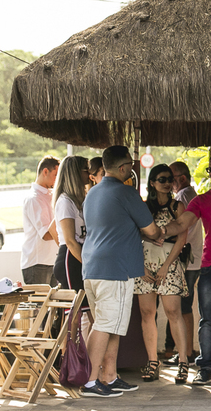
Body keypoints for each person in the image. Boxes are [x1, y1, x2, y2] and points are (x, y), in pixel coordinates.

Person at [80, 145, 162, 397]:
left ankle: (110, 376)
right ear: (124, 167)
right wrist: (156, 233)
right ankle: (91, 381)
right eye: (130, 165)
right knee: (105, 325)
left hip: (92, 268)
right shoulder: (127, 193)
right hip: (115, 270)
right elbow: (151, 230)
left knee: (112, 324)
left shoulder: (92, 194)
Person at [162, 152, 211, 386]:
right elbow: (182, 223)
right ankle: (205, 367)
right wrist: (160, 232)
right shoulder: (203, 199)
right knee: (207, 320)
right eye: (210, 169)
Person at [135, 164, 192, 384]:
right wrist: (143, 266)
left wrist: (167, 265)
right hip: (145, 263)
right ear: (152, 183)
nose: (167, 183)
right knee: (147, 313)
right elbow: (134, 237)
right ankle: (152, 361)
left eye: (169, 179)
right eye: (161, 179)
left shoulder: (177, 205)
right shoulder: (143, 207)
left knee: (173, 312)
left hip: (169, 262)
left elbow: (182, 238)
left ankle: (183, 362)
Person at [165, 160, 201, 365]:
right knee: (183, 307)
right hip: (192, 257)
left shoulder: (182, 197)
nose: (169, 183)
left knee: (182, 308)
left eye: (171, 178)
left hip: (186, 258)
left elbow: (181, 228)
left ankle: (186, 352)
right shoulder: (190, 195)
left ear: (182, 178)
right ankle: (186, 350)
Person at [52, 155, 90, 292]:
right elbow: (70, 241)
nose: (89, 173)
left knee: (88, 308)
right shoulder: (65, 202)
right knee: (76, 310)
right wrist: (88, 265)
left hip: (81, 254)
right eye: (86, 169)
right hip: (71, 258)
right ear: (75, 173)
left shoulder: (81, 199)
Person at [22, 156, 60, 286]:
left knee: (56, 305)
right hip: (37, 263)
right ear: (45, 172)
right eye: (56, 175)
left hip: (52, 261)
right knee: (39, 306)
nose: (57, 179)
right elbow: (46, 234)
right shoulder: (33, 199)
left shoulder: (51, 196)